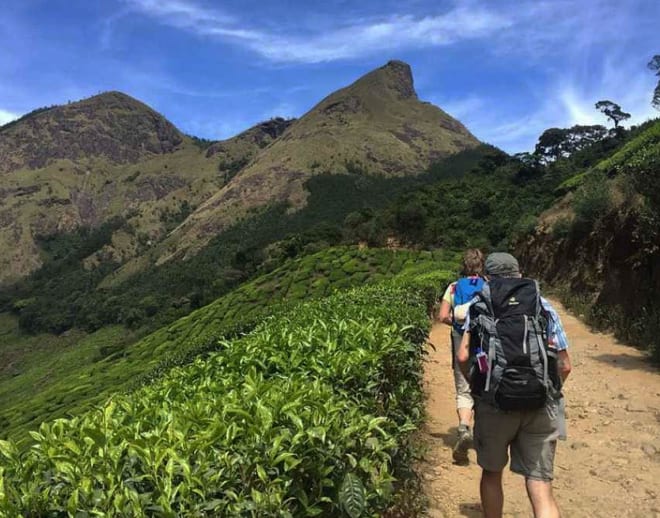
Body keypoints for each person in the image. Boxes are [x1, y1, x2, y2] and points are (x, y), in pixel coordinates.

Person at [456, 252, 572, 518]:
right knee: (541, 486)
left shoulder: (481, 304)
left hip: (494, 403)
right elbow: (565, 365)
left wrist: (477, 388)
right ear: (520, 274)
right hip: (540, 405)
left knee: (492, 474)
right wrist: (547, 392)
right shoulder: (543, 305)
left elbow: (463, 356)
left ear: (488, 277)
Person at [437, 248, 485, 463]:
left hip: (460, 340)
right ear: (481, 265)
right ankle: (486, 434)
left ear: (463, 265)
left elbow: (442, 316)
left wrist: (457, 324)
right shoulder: (489, 286)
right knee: (485, 381)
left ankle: (464, 428)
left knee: (463, 385)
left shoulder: (454, 287)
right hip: (484, 342)